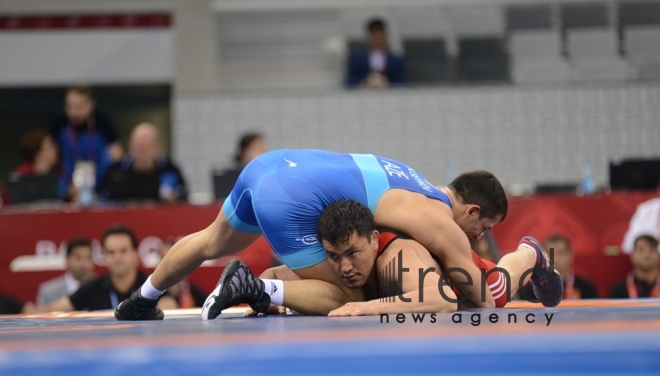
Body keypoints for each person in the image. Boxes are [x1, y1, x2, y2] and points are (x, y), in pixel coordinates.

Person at [115, 148, 561, 321]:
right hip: (293, 195)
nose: (479, 235)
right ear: (472, 209)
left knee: (212, 240)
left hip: (270, 165)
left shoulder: (411, 178)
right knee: (342, 290)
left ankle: (144, 297)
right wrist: (369, 306)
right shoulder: (437, 219)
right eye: (482, 226)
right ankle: (528, 253)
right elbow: (479, 301)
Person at [245, 200, 558, 316]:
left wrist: (366, 306)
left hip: (472, 282)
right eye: (334, 256)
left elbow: (444, 299)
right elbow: (272, 276)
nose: (345, 267)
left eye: (353, 253)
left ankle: (529, 253)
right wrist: (267, 302)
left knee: (502, 284)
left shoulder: (398, 256)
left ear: (374, 239)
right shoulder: (337, 259)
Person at [35, 225, 162, 313]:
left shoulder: (151, 283)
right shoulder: (92, 288)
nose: (117, 258)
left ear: (135, 253)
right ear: (104, 256)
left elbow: (169, 308)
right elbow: (51, 310)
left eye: (123, 251)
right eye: (111, 252)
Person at [49, 86, 123, 199]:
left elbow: (117, 156)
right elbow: (49, 158)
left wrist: (100, 188)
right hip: (68, 185)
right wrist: (67, 188)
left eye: (79, 107)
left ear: (91, 105)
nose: (74, 112)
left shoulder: (104, 123)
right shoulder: (58, 124)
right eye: (70, 107)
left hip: (100, 186)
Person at [99, 123, 188, 203]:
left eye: (147, 146)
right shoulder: (116, 170)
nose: (142, 151)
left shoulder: (170, 169)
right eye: (138, 146)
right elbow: (102, 198)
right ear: (130, 145)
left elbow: (184, 196)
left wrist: (173, 197)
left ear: (157, 147)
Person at [520, 234, 598, 300]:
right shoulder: (531, 290)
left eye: (560, 253)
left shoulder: (586, 288)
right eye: (551, 254)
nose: (555, 259)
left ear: (570, 255)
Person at [1, 130, 65, 204]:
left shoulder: (60, 173)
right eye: (50, 147)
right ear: (38, 153)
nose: (56, 149)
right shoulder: (20, 175)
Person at [346, 18, 405, 88]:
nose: (377, 38)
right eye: (374, 35)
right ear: (369, 36)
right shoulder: (357, 58)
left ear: (386, 36)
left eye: (380, 35)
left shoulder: (395, 60)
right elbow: (350, 79)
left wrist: (387, 84)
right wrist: (364, 84)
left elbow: (401, 81)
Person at [36, 238, 95, 306]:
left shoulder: (101, 288)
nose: (83, 264)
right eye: (78, 258)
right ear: (67, 260)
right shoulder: (48, 293)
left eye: (88, 258)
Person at [609, 234, 660, 298]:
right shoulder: (619, 290)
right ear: (632, 256)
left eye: (651, 249)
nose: (647, 254)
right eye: (641, 249)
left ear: (658, 255)